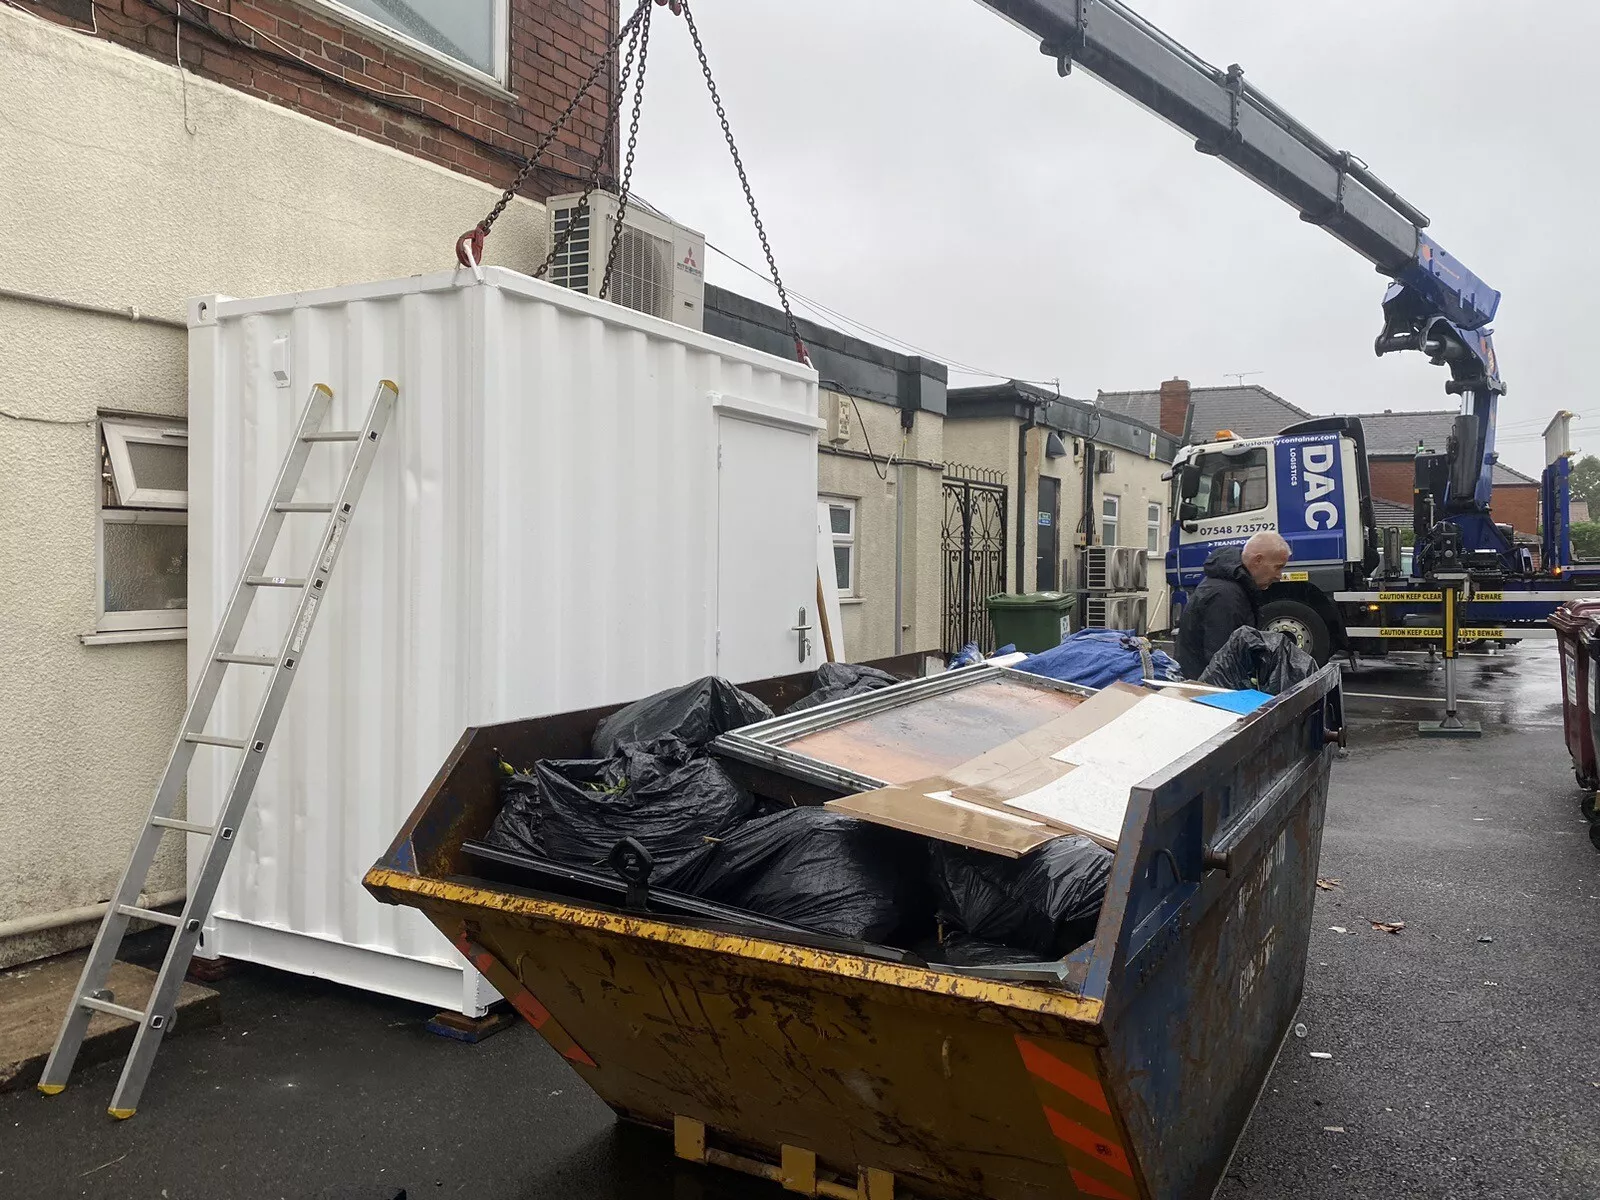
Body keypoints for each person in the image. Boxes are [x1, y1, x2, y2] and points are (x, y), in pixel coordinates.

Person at [1176, 531, 1292, 679]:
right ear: (1258, 560)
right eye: (1278, 567)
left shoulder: (1233, 587)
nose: (1279, 576)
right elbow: (1221, 663)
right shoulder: (1225, 597)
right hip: (1204, 693)